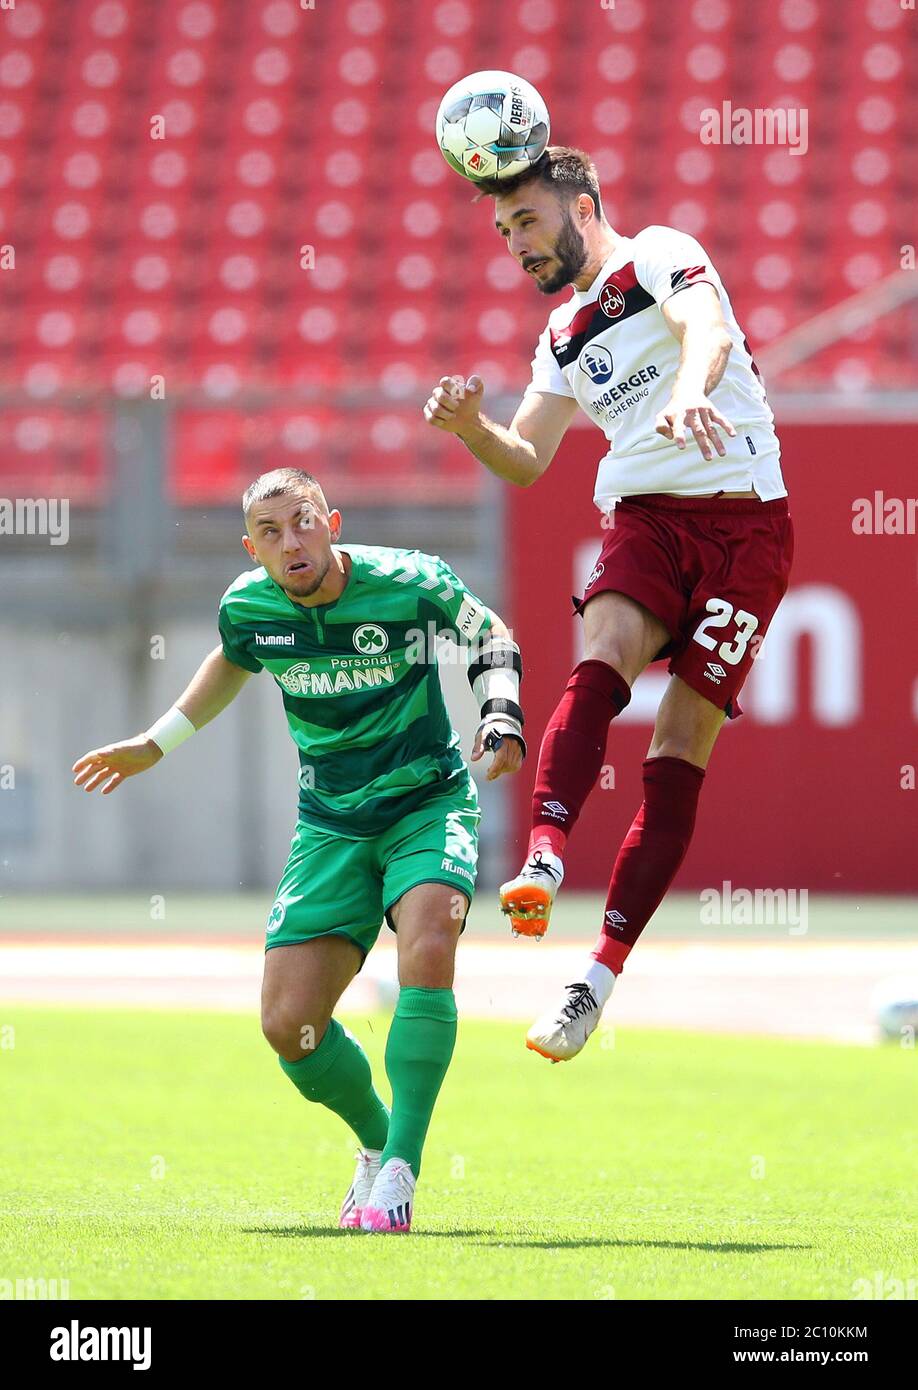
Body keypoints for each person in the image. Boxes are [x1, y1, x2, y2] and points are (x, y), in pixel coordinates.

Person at [72, 468, 525, 1228]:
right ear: (253, 549)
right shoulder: (249, 609)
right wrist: (158, 741)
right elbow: (232, 657)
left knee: (429, 939)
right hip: (330, 824)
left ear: (332, 522)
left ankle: (403, 1174)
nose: (292, 543)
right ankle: (379, 1146)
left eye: (303, 522)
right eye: (271, 534)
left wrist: (501, 713)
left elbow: (490, 634)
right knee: (290, 1026)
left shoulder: (411, 583)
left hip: (426, 802)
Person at [424, 147, 793, 1062]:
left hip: (748, 529)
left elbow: (704, 326)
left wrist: (687, 393)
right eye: (505, 231)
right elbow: (529, 457)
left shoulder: (661, 252)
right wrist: (474, 429)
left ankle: (597, 976)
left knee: (677, 747)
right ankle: (545, 853)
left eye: (528, 223)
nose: (516, 243)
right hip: (644, 519)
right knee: (602, 657)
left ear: (583, 208)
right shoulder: (559, 337)